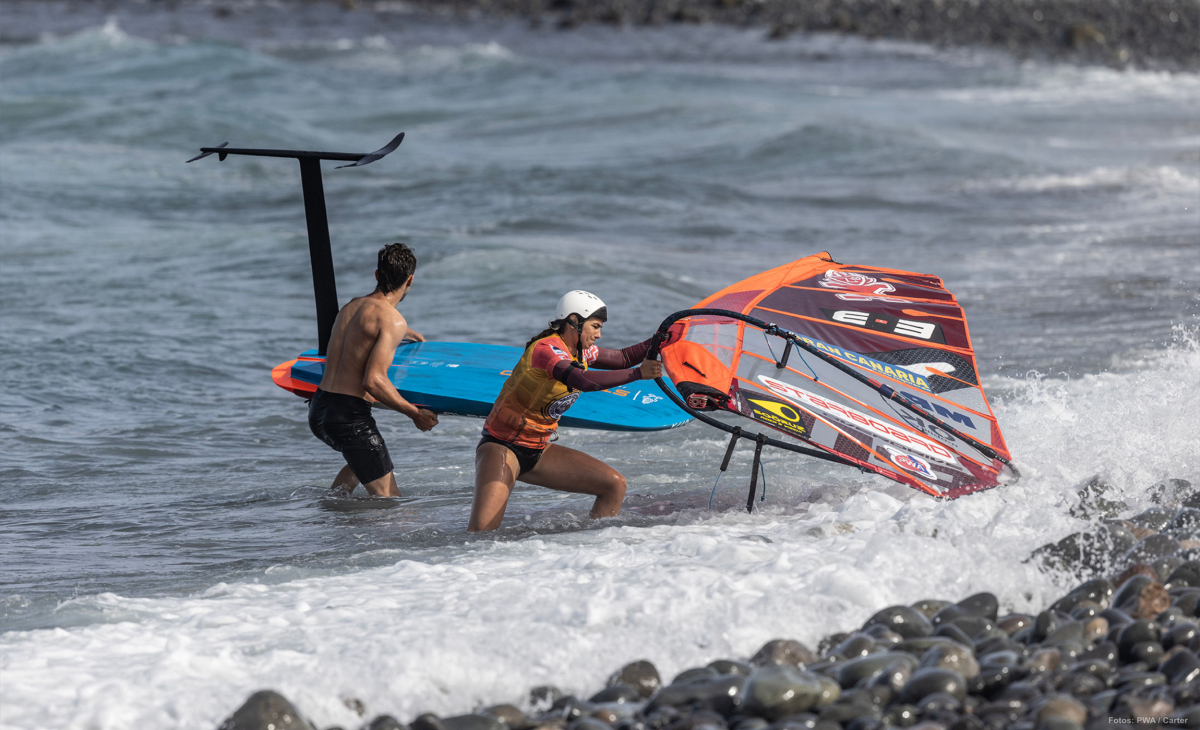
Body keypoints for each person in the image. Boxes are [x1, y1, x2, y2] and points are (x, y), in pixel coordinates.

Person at [469, 291, 667, 531]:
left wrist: (663, 339)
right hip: (503, 448)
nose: (599, 334)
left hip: (538, 450)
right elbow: (582, 380)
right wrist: (638, 374)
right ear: (574, 321)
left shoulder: (581, 352)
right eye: (594, 326)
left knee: (614, 485)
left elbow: (624, 357)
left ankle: (594, 556)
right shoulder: (547, 349)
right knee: (481, 537)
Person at [308, 243, 439, 497]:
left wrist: (405, 331)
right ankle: (337, 523)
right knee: (391, 504)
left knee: (359, 465)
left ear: (377, 275)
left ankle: (328, 516)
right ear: (410, 280)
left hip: (319, 409)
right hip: (349, 418)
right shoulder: (392, 320)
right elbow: (374, 381)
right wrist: (415, 414)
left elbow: (365, 329)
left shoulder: (351, 306)